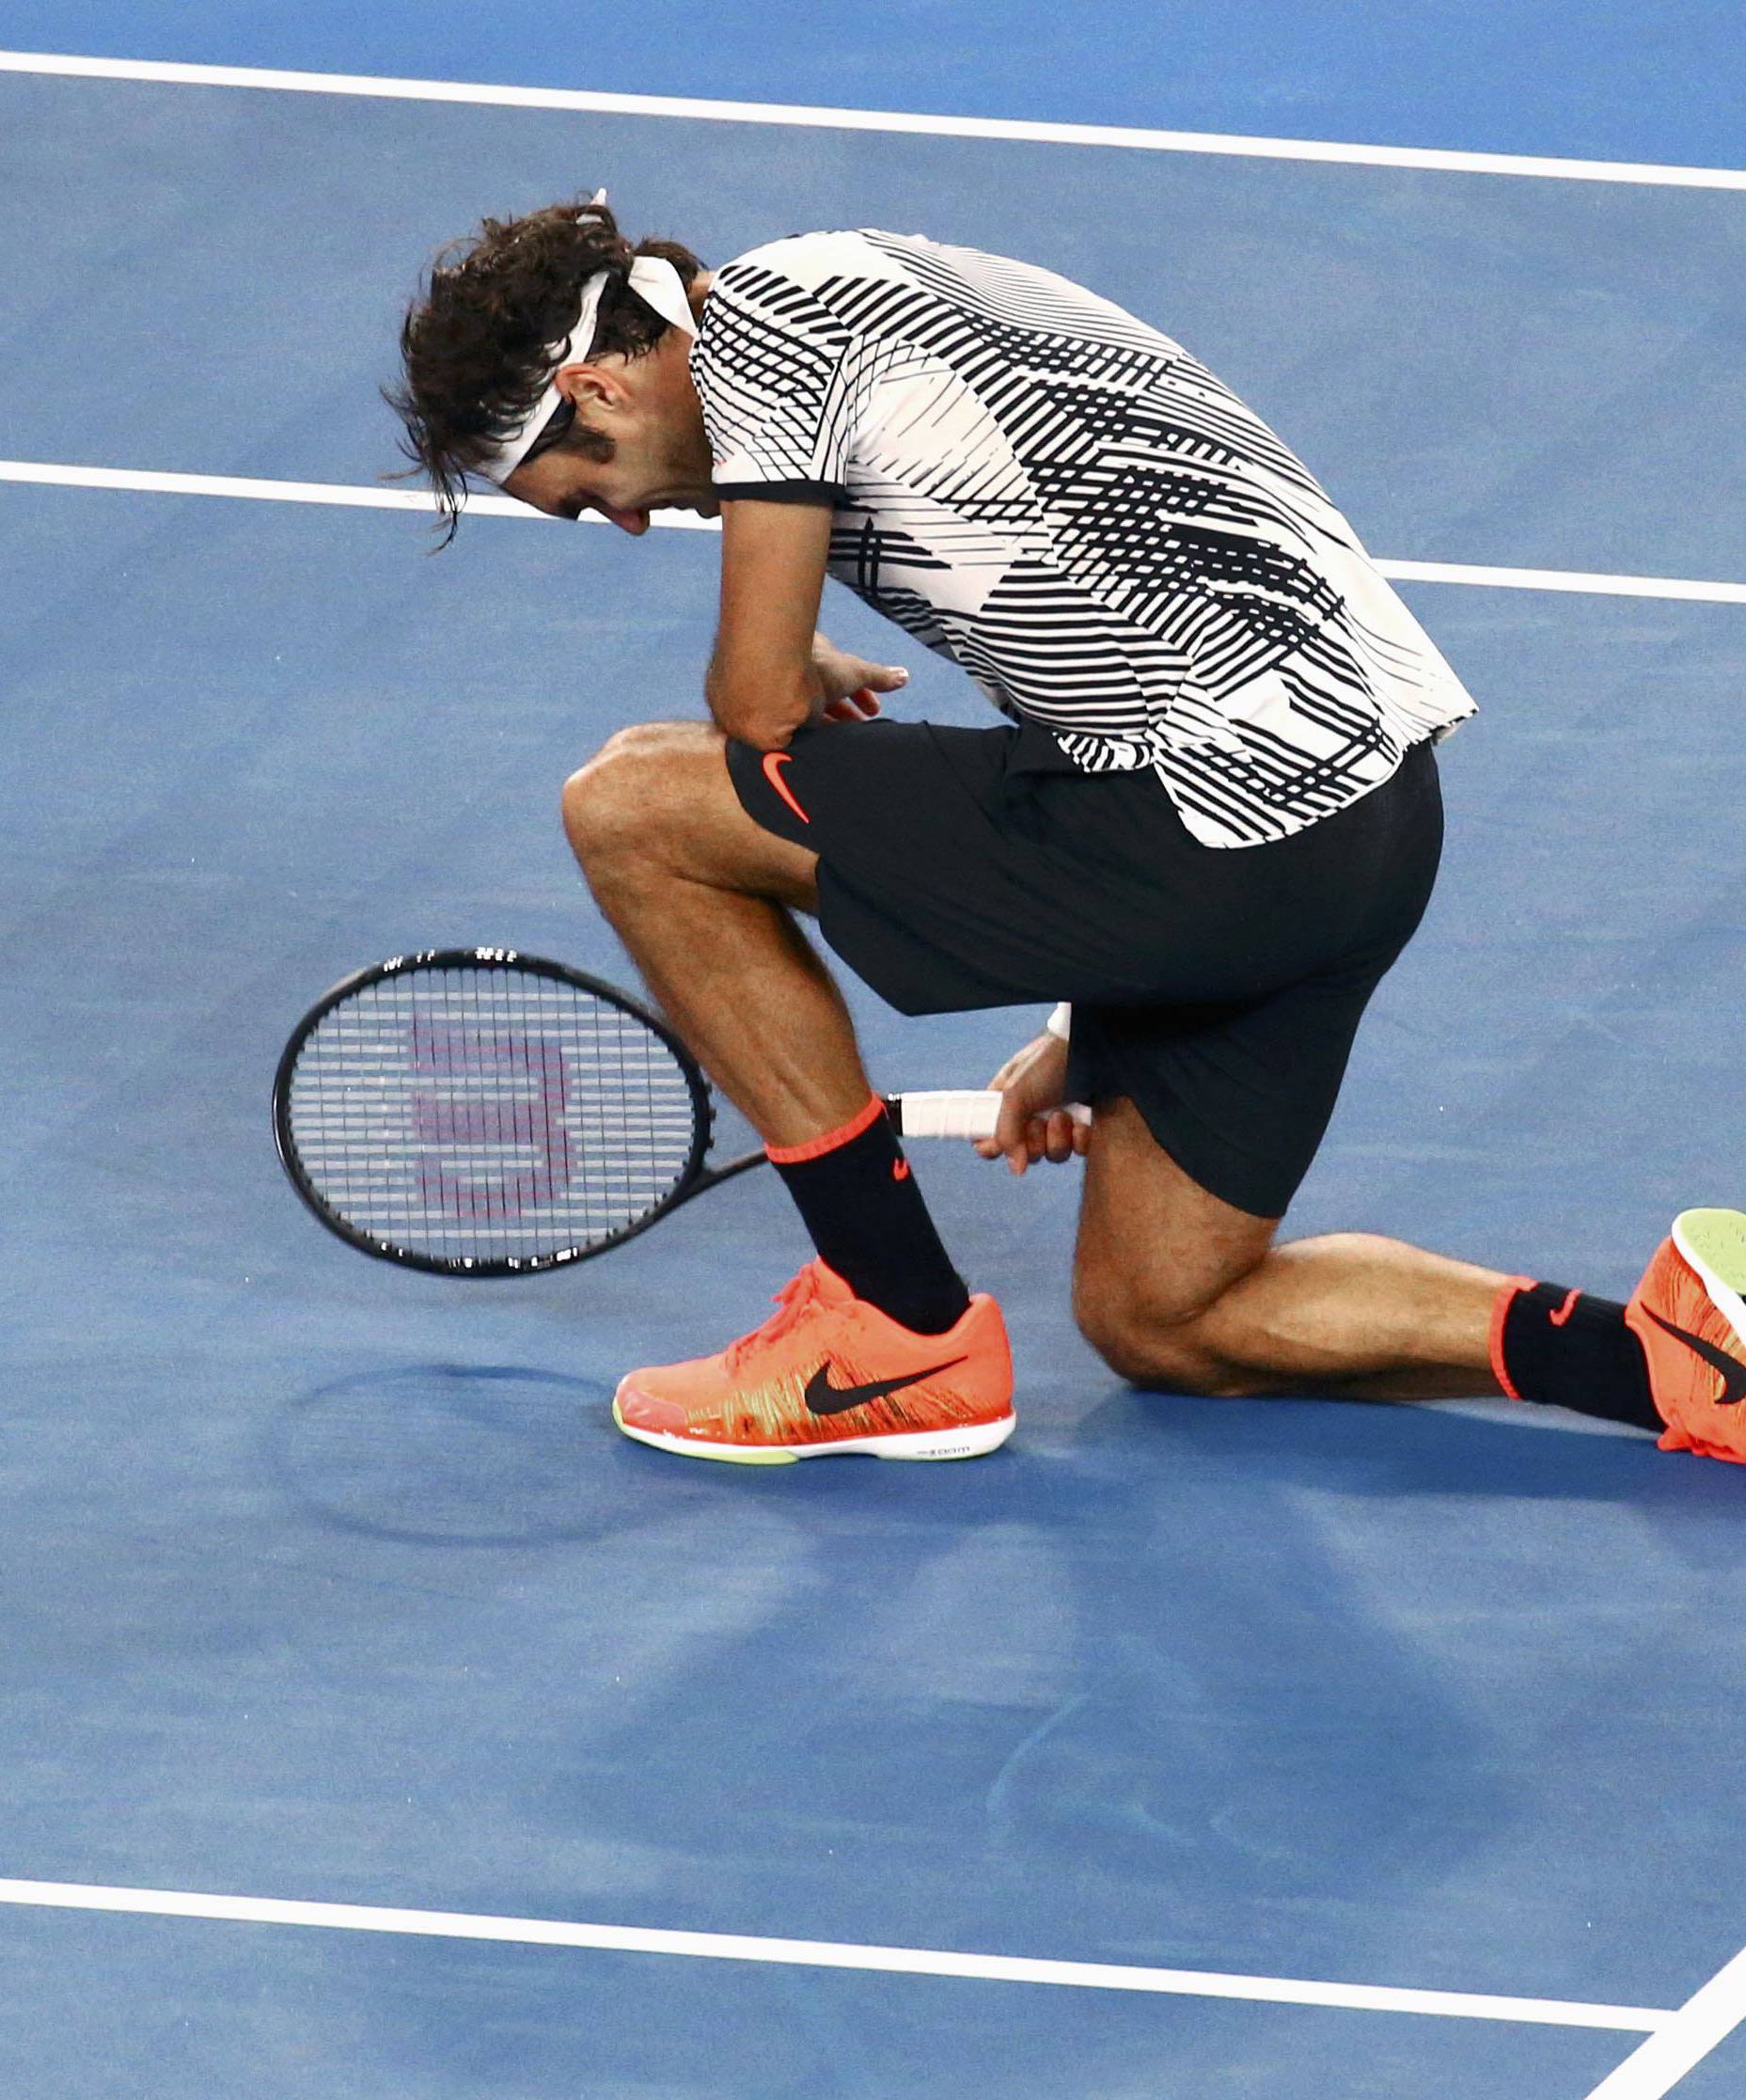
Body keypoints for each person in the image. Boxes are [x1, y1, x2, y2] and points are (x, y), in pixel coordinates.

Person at [385, 194, 1746, 1468]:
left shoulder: (764, 341)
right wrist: (1090, 1025)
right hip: (1358, 828)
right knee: (1168, 1313)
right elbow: (1124, 658)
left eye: (591, 484)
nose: (626, 521)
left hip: (1231, 828)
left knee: (631, 803)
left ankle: (895, 1324)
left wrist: (786, 663)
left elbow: (749, 705)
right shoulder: (864, 280)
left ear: (597, 385)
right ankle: (1679, 1362)